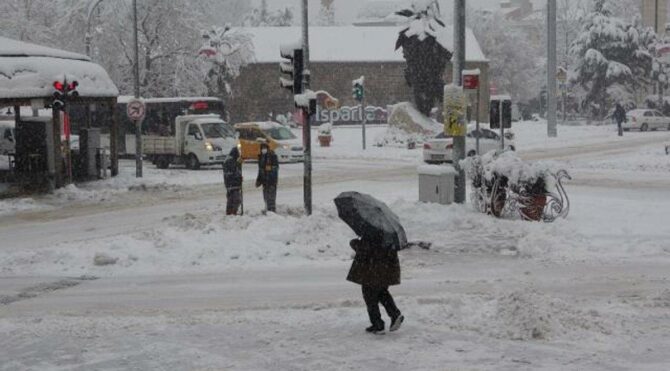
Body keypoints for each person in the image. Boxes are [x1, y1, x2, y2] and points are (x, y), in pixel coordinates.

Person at [347, 237, 404, 335]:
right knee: (382, 293)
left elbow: (365, 249)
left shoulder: (372, 233)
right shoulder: (388, 236)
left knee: (370, 297)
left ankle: (378, 325)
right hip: (384, 271)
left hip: (372, 271)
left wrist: (354, 243)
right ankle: (394, 314)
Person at [256, 139, 279, 213]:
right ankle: (268, 209)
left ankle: (272, 211)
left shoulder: (272, 156)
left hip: (271, 181)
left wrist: (271, 169)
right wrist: (259, 180)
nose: (263, 150)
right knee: (266, 197)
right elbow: (260, 170)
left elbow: (276, 168)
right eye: (262, 148)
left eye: (264, 148)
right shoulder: (261, 157)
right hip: (264, 181)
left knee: (271, 197)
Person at [223, 147, 243, 215]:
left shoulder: (228, 160)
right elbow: (234, 171)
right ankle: (233, 212)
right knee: (236, 199)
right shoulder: (231, 161)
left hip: (231, 184)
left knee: (231, 199)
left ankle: (230, 212)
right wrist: (238, 164)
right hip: (233, 184)